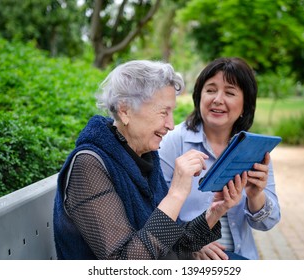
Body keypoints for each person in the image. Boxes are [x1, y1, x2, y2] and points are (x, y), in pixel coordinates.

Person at [53, 60, 247, 260]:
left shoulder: (144, 155)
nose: (171, 125)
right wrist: (176, 194)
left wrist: (214, 213)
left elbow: (171, 243)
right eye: (164, 112)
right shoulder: (88, 166)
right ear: (125, 110)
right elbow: (127, 265)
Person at [159, 57, 281, 260]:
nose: (217, 99)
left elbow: (268, 222)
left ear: (245, 105)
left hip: (242, 257)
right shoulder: (172, 141)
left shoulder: (254, 149)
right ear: (199, 96)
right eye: (211, 90)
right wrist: (191, 241)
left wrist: (255, 195)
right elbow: (154, 211)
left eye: (230, 93)